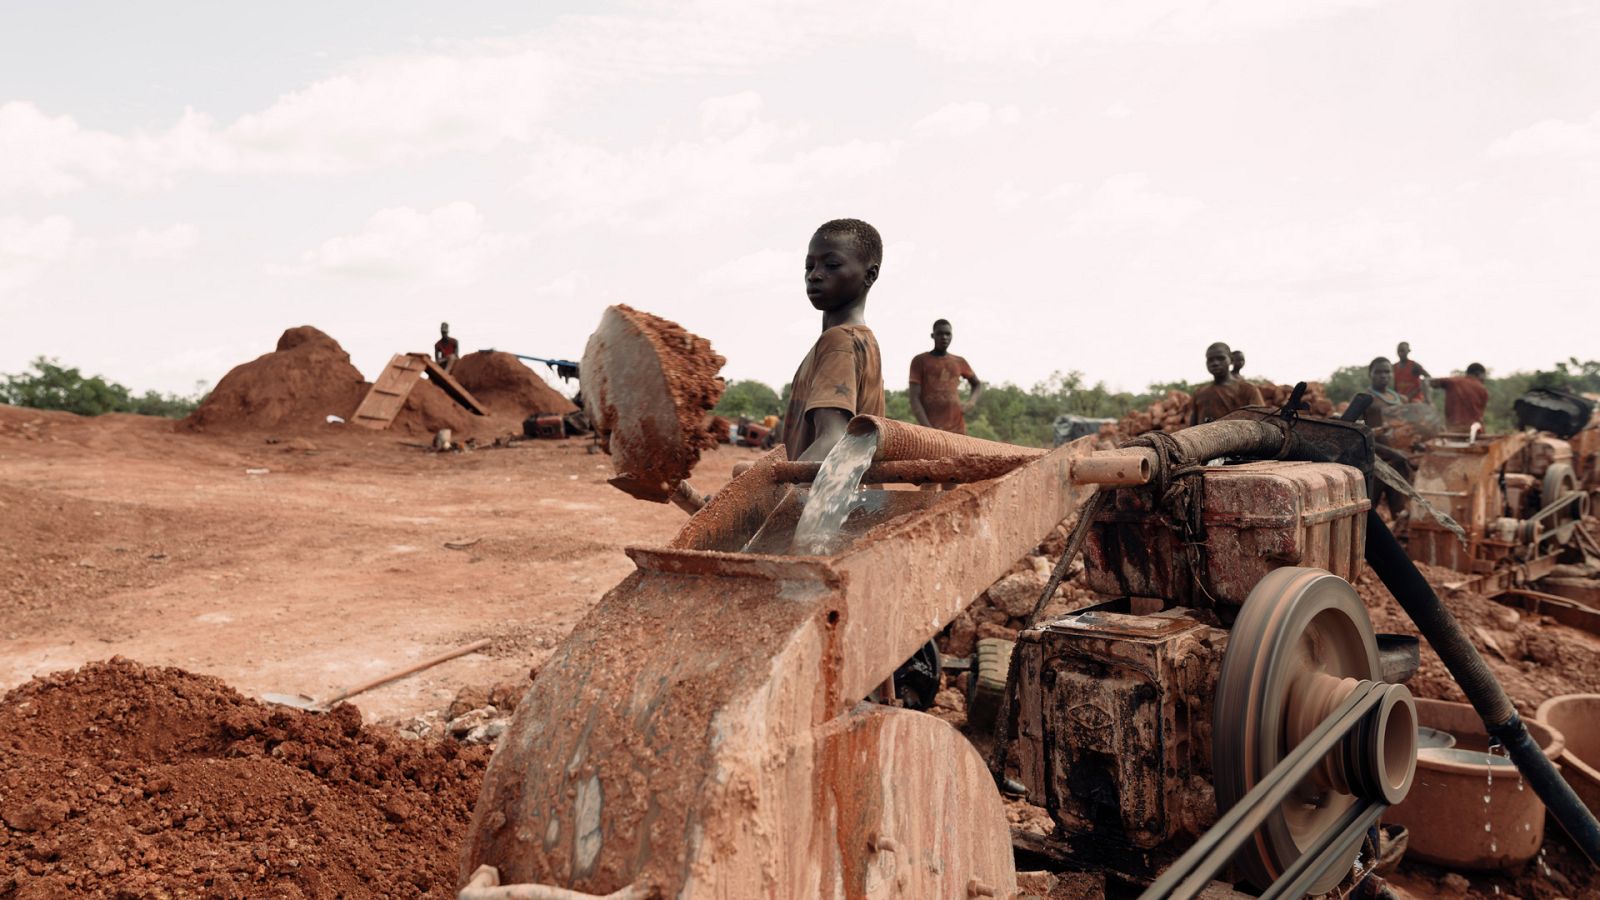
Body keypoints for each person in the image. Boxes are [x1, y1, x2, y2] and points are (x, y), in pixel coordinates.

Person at [779, 219, 886, 461]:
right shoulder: (862, 341)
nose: (815, 275)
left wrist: (772, 497)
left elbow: (833, 442)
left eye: (832, 265)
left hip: (819, 499)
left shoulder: (840, 341)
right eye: (809, 266)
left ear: (870, 275)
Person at [908, 319, 983, 435]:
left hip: (957, 428)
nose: (944, 337)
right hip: (931, 428)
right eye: (940, 333)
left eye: (947, 334)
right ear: (933, 336)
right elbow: (914, 398)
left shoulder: (959, 361)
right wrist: (927, 428)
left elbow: (977, 384)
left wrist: (970, 404)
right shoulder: (920, 361)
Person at [1190, 342, 1263, 426]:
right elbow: (1192, 426)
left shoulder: (1248, 390)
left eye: (1221, 358)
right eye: (1210, 360)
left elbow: (1260, 424)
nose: (1215, 363)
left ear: (1231, 360)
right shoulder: (1200, 393)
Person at [1429, 363, 1489, 429]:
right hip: (1474, 430)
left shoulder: (1453, 381)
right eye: (1483, 376)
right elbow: (1481, 413)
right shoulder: (1483, 389)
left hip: (1453, 428)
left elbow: (1430, 382)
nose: (1484, 379)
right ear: (1478, 373)